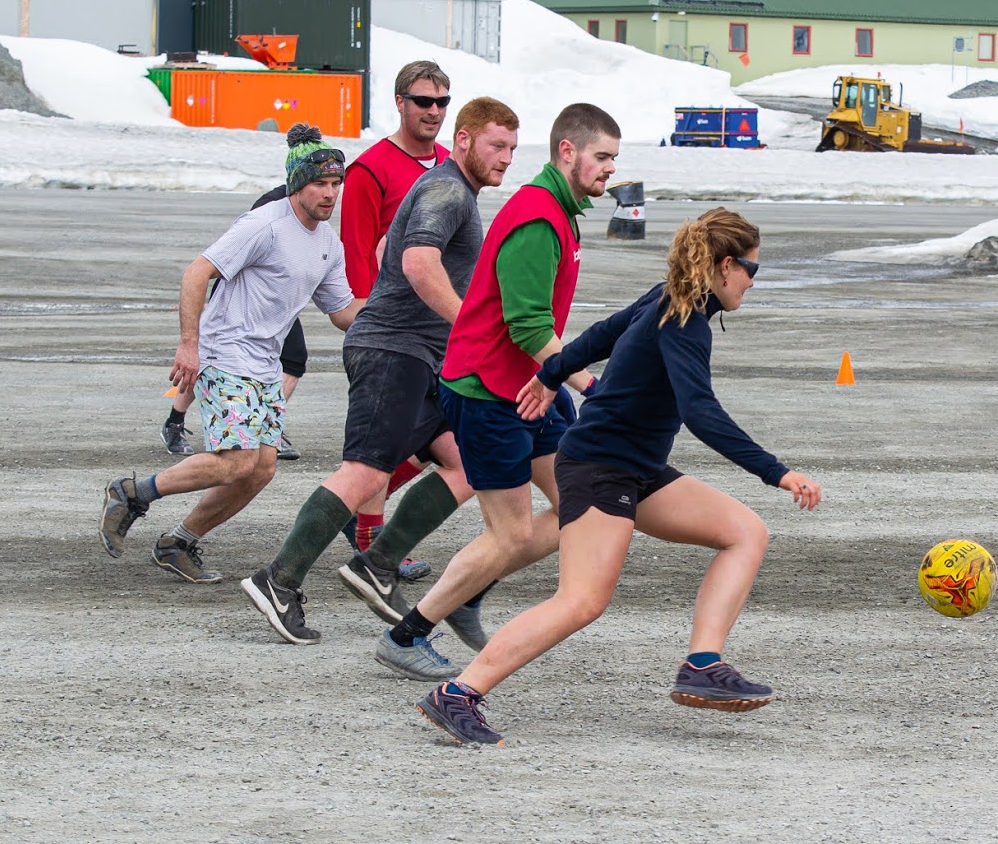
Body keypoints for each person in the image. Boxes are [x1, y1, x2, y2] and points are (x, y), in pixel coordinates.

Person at [415, 207, 823, 747]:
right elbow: (700, 412)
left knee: (745, 532)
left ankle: (703, 662)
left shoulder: (667, 298)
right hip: (599, 468)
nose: (752, 281)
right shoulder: (685, 323)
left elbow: (596, 337)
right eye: (753, 270)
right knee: (581, 600)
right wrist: (778, 472)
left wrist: (549, 375)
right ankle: (460, 694)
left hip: (638, 467)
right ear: (726, 266)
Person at [345, 103, 618, 670]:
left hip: (528, 385)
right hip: (486, 391)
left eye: (614, 158)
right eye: (603, 157)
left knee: (581, 507)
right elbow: (527, 326)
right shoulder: (539, 217)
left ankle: (471, 591)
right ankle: (407, 635)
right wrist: (590, 382)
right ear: (567, 152)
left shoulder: (562, 211)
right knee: (512, 533)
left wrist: (557, 379)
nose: (610, 169)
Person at [240, 98, 518, 647]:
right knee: (364, 473)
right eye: (495, 145)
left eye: (511, 147)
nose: (505, 158)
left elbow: (392, 244)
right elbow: (416, 261)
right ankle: (278, 580)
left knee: (467, 464)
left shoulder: (442, 187)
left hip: (420, 356)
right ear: (463, 141)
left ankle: (378, 563)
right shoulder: (447, 190)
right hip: (394, 351)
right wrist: (472, 327)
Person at [99, 126, 360, 582]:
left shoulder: (326, 242)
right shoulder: (264, 225)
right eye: (321, 183)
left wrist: (398, 309)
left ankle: (178, 542)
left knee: (260, 469)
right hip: (224, 353)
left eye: (336, 184)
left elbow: (342, 312)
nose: (330, 193)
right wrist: (189, 344)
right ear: (298, 182)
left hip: (264, 365)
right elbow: (197, 273)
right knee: (237, 460)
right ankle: (132, 493)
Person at [338, 59, 456, 572]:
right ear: (400, 103)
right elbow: (355, 257)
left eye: (442, 102)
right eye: (423, 101)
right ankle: (373, 546)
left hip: (441, 335)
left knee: (447, 447)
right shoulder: (371, 170)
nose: (433, 111)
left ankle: (359, 519)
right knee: (379, 448)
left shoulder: (453, 164)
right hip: (391, 335)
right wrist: (368, 326)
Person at [162, 183, 309, 463]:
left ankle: (263, 426)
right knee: (209, 363)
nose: (330, 191)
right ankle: (174, 422)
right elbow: (231, 257)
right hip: (243, 297)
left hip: (277, 303)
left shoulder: (315, 209)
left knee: (294, 360)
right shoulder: (273, 206)